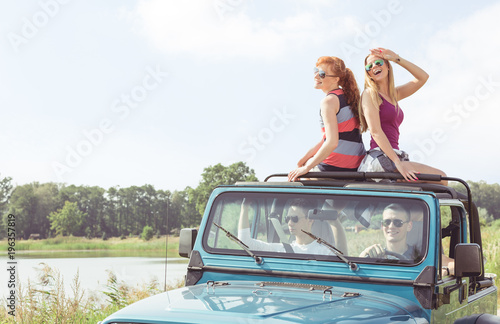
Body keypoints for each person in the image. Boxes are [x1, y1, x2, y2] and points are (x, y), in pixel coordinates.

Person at [357, 48, 447, 185]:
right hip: (382, 158)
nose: (374, 66)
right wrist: (397, 162)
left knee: (436, 184)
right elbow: (375, 131)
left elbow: (423, 77)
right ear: (368, 74)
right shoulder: (370, 93)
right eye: (369, 66)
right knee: (441, 178)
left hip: (393, 157)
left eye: (378, 62)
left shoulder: (395, 94)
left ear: (387, 66)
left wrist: (396, 58)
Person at [288, 56, 365, 182]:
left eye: (322, 74)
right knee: (304, 163)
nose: (316, 76)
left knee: (299, 180)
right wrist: (304, 159)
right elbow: (331, 138)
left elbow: (332, 142)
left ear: (336, 79)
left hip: (335, 166)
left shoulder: (328, 101)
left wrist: (306, 167)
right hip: (356, 166)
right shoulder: (350, 98)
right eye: (316, 71)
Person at [238, 198, 348, 255]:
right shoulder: (282, 250)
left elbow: (344, 255)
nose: (290, 223)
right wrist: (244, 207)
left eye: (294, 218)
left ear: (310, 220)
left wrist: (334, 221)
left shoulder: (324, 251)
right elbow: (245, 242)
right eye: (287, 219)